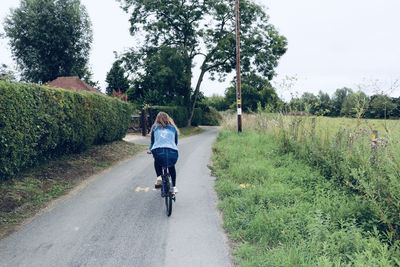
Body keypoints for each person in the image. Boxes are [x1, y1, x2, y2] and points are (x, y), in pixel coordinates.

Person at [149, 112, 179, 194]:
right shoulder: (173, 128)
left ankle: (159, 177)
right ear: (168, 118)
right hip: (172, 151)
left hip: (158, 150)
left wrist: (150, 149)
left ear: (157, 119)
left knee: (157, 161)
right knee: (172, 166)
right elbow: (175, 142)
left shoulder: (155, 128)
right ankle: (174, 187)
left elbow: (152, 142)